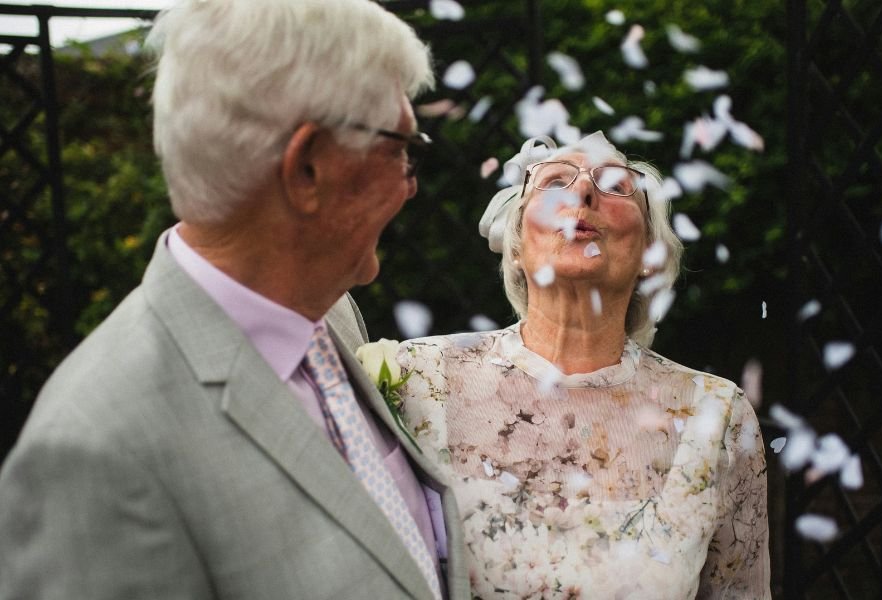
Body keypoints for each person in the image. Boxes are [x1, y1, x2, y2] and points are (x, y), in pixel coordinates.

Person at [0, 1, 470, 598]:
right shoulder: (96, 453)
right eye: (401, 148)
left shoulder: (328, 314)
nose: (411, 184)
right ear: (308, 169)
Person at [387, 132, 770, 598]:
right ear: (515, 246)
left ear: (650, 252)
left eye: (614, 184)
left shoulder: (717, 415)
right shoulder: (416, 381)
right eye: (553, 182)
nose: (583, 193)